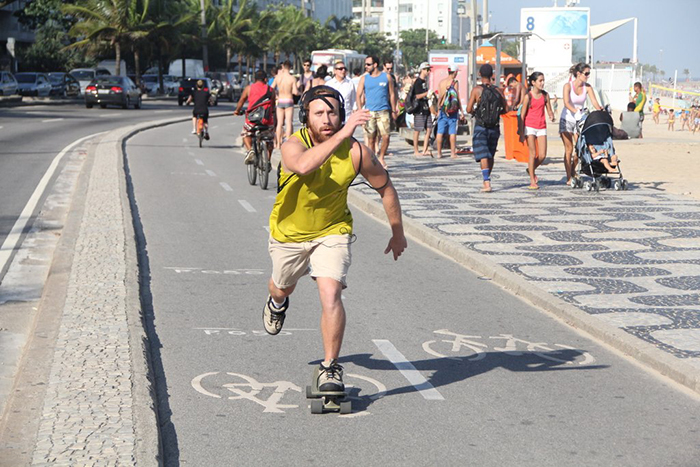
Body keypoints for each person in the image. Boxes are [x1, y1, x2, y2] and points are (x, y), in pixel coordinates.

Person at [265, 85, 407, 393]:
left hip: (333, 231)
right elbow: (303, 166)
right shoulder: (293, 145)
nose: (327, 119)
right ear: (306, 118)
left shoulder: (356, 152)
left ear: (341, 114)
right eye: (319, 113)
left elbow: (386, 187)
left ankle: (329, 368)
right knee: (282, 286)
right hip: (289, 235)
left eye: (332, 113)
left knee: (330, 295)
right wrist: (342, 134)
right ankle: (277, 303)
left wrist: (397, 232)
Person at [559, 62, 602, 185]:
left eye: (589, 74)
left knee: (579, 149)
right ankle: (568, 177)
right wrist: (575, 111)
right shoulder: (568, 86)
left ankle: (572, 170)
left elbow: (594, 102)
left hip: (580, 120)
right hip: (567, 118)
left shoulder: (587, 87)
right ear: (578, 74)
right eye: (586, 73)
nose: (588, 76)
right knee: (569, 149)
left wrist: (600, 109)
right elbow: (566, 102)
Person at [466, 64, 506, 192]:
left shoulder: (477, 90)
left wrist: (475, 112)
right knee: (490, 154)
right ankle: (487, 178)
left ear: (479, 74)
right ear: (492, 75)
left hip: (481, 125)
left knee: (483, 154)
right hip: (494, 127)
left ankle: (486, 182)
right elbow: (506, 109)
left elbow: (468, 109)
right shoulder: (498, 91)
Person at [356, 55, 397, 168]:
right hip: (370, 112)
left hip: (384, 111)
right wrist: (360, 111)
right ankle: (372, 159)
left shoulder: (386, 77)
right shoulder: (364, 78)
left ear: (375, 65)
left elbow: (392, 94)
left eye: (368, 64)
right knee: (371, 138)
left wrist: (394, 110)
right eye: (365, 64)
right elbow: (358, 95)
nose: (366, 66)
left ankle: (381, 157)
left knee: (386, 137)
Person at [520, 72, 555, 189]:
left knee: (542, 155)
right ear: (533, 82)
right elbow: (522, 115)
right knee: (533, 153)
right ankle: (532, 180)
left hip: (541, 126)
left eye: (543, 80)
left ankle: (530, 169)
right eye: (540, 81)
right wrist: (521, 132)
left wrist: (551, 115)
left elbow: (549, 109)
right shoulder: (528, 96)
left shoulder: (545, 95)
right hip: (529, 126)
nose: (542, 83)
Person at [234, 70, 276, 164]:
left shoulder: (249, 88)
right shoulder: (271, 90)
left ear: (254, 79)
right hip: (266, 121)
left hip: (252, 120)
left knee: (246, 134)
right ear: (265, 79)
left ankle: (250, 150)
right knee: (269, 139)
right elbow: (272, 107)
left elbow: (241, 101)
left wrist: (237, 111)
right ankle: (268, 160)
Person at [436, 64, 465, 159]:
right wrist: (461, 111)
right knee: (452, 132)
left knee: (440, 132)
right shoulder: (455, 82)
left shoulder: (441, 82)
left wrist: (438, 109)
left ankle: (439, 153)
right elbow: (457, 97)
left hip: (443, 109)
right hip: (452, 111)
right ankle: (453, 153)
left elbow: (440, 97)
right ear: (455, 72)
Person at [271, 60, 299, 148]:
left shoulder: (278, 77)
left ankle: (278, 143)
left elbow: (271, 88)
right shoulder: (292, 78)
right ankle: (288, 142)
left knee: (279, 123)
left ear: (283, 67)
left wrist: (276, 96)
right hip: (289, 100)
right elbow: (295, 92)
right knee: (288, 122)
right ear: (290, 67)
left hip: (280, 100)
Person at [411, 62, 434, 157]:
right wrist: (427, 94)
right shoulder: (418, 82)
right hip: (419, 109)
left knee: (429, 128)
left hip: (426, 108)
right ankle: (416, 150)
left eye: (429, 70)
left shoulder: (425, 82)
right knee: (417, 130)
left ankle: (424, 149)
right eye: (427, 69)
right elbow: (417, 96)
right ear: (423, 70)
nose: (429, 71)